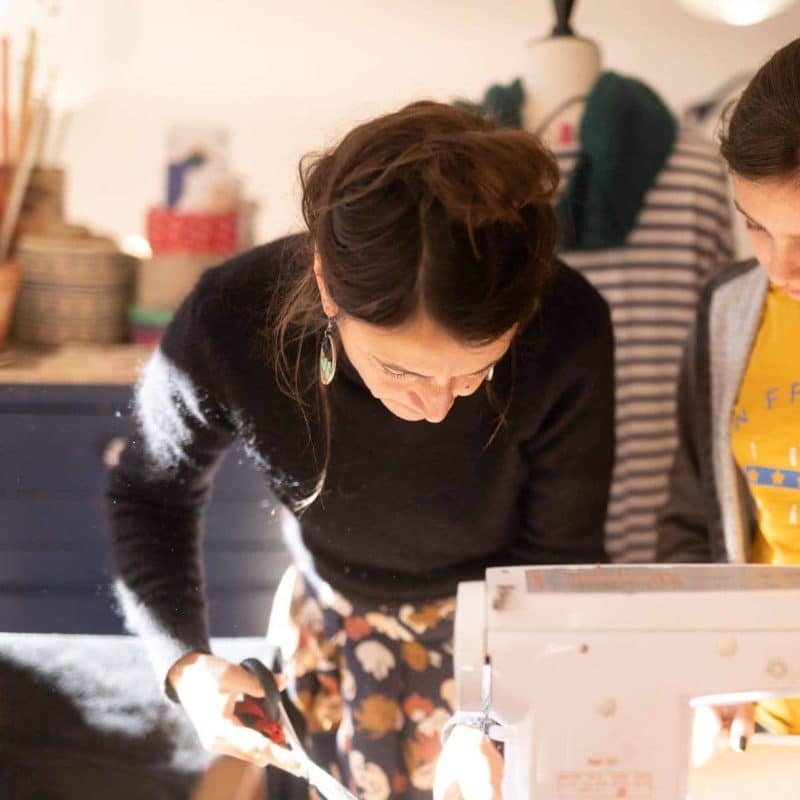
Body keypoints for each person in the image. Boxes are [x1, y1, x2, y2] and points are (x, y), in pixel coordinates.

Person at [108, 100, 614, 800]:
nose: (435, 408)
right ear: (326, 286)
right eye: (401, 371)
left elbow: (557, 560)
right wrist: (186, 664)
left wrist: (491, 719)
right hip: (329, 638)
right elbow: (149, 493)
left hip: (505, 644)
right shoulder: (230, 320)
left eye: (476, 372)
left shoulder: (569, 327)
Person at [657, 37, 800, 748]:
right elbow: (691, 518)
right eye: (757, 226)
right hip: (767, 730)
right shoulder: (727, 310)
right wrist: (707, 663)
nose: (782, 264)